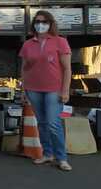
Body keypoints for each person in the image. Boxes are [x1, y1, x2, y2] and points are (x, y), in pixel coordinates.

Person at [19, 10, 72, 171]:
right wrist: (23, 89)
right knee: (41, 123)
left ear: (50, 24)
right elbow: (24, 68)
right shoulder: (28, 44)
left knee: (53, 123)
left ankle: (62, 158)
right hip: (33, 88)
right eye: (37, 22)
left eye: (44, 22)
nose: (40, 25)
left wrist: (65, 90)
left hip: (54, 89)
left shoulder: (60, 41)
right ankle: (47, 153)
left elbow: (67, 69)